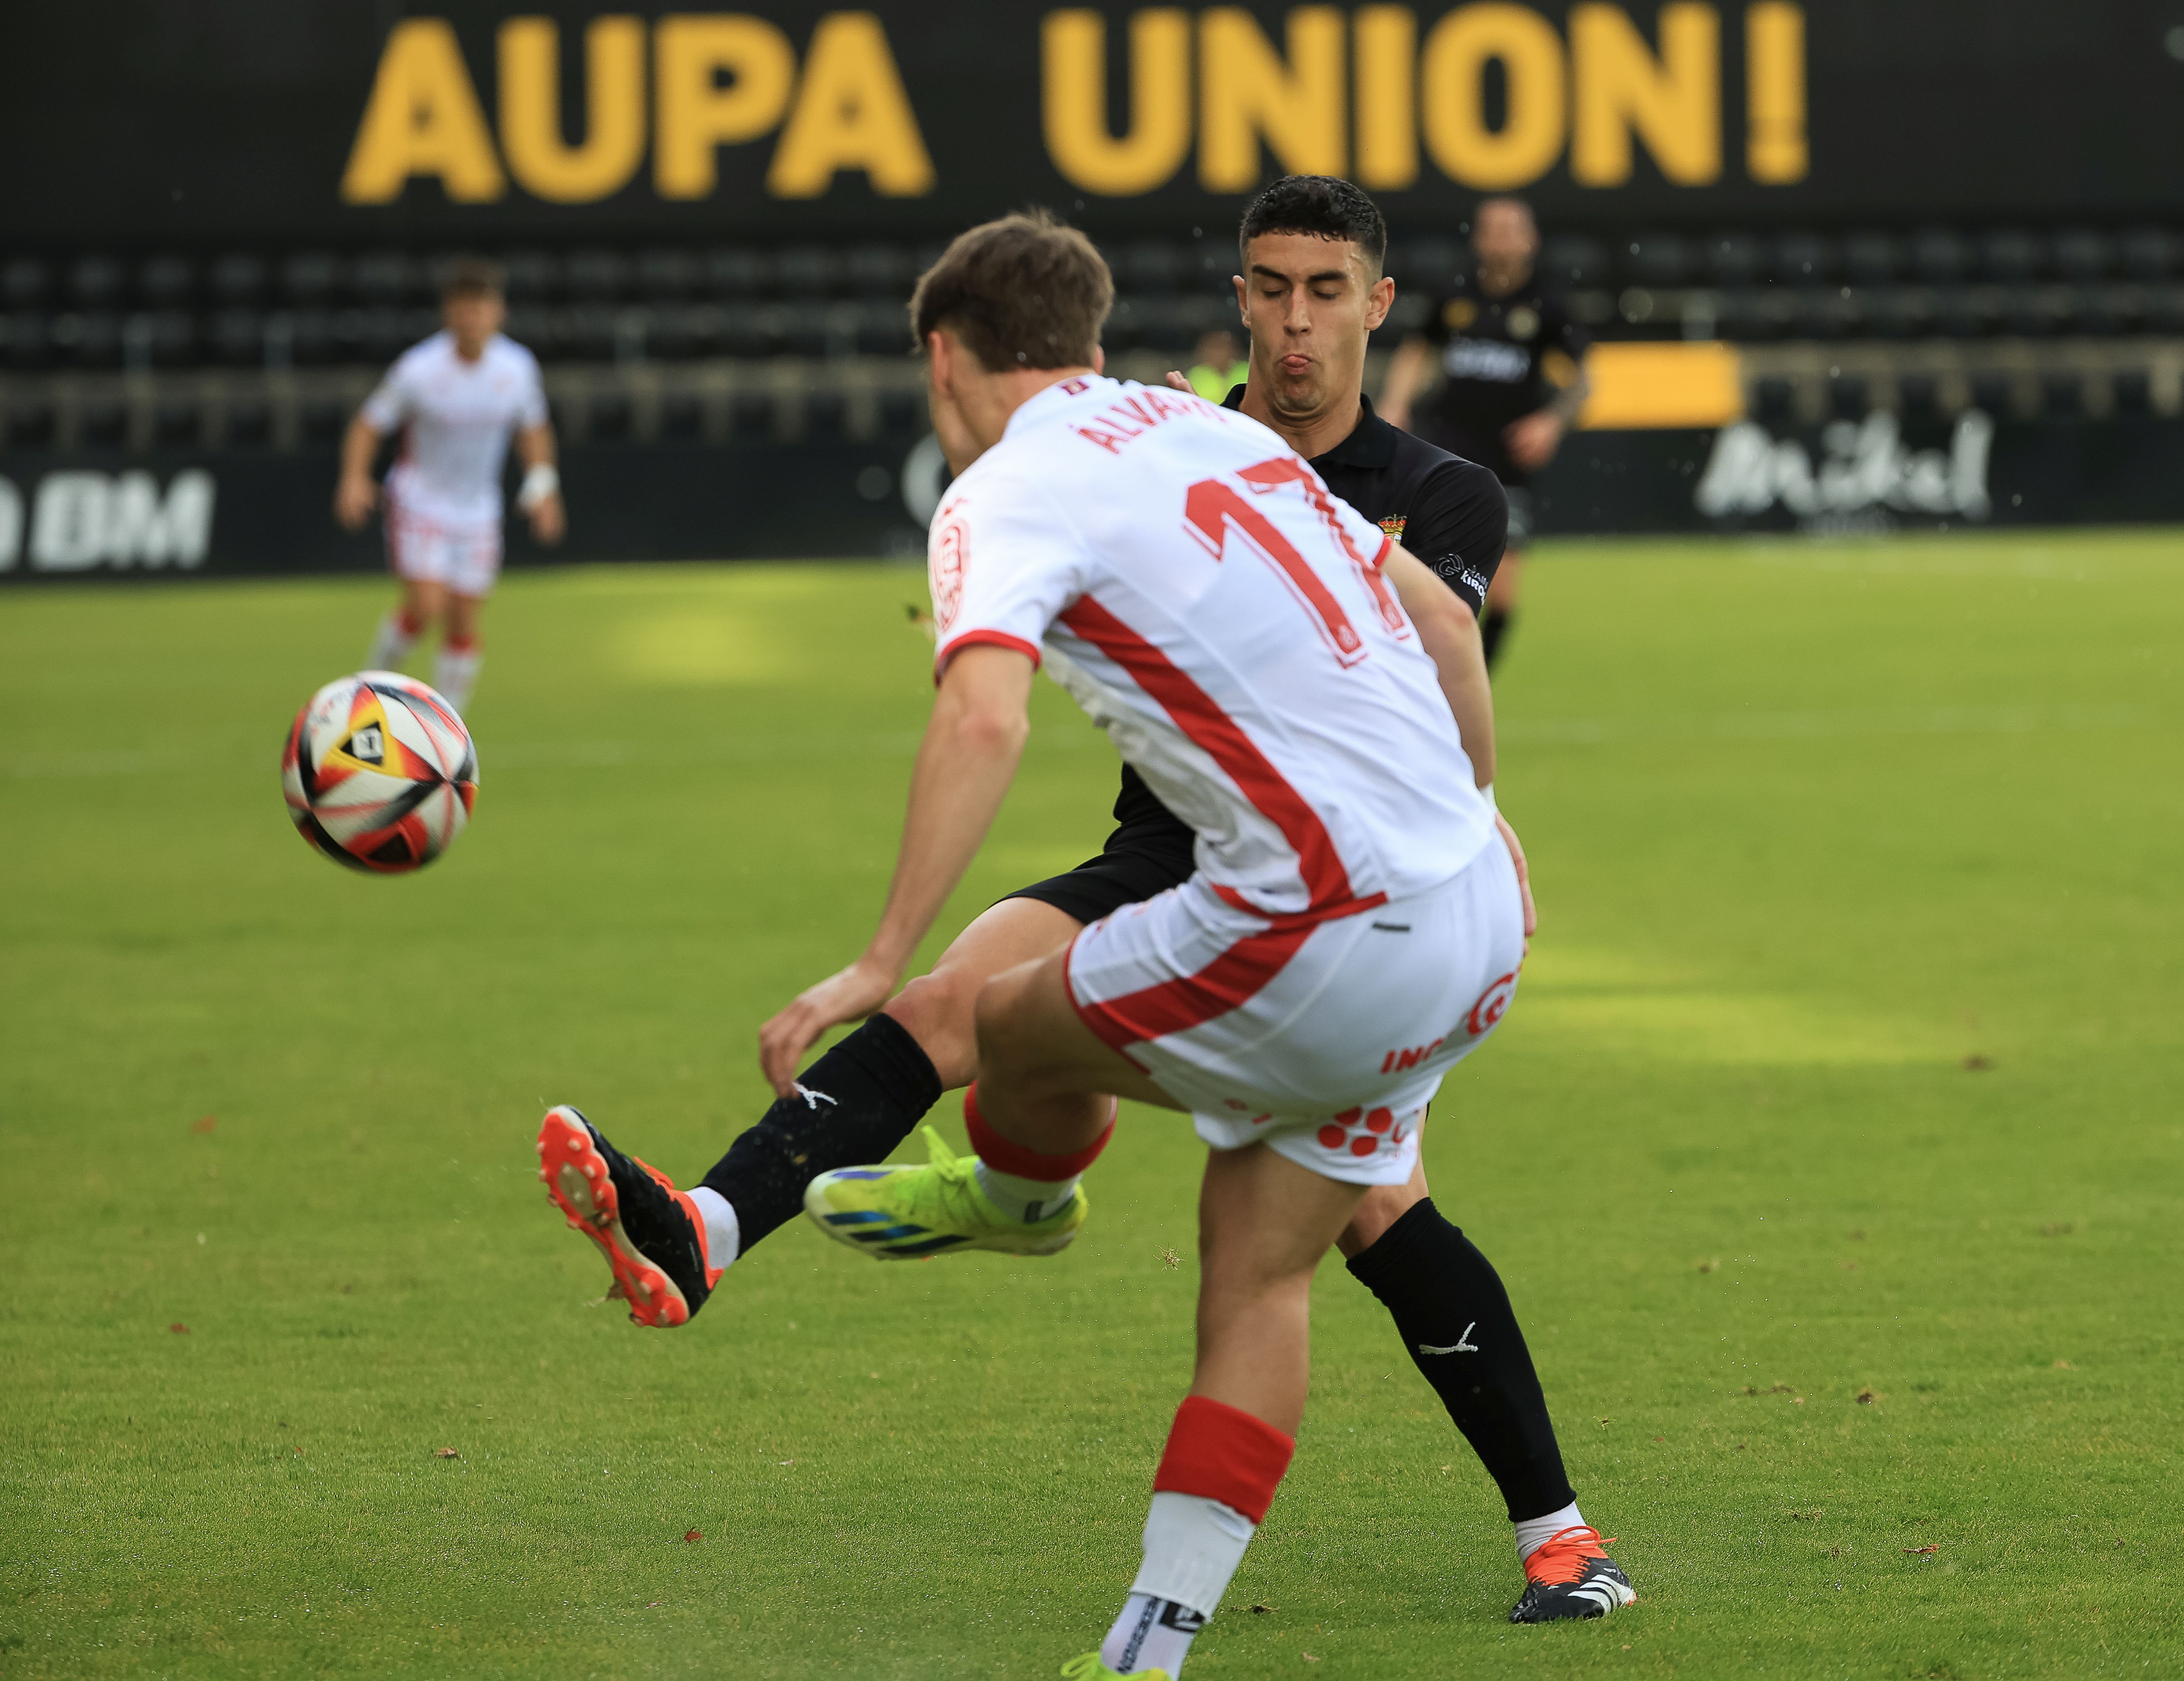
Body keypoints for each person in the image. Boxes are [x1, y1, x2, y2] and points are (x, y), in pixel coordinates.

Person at [535, 181, 1633, 1629]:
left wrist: (1479, 813)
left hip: (1330, 881)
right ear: (1233, 298)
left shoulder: (1425, 487)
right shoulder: (1196, 427)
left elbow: (1444, 646)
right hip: (1189, 854)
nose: (1293, 321)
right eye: (1268, 287)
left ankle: (1556, 1529)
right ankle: (714, 1224)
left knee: (1367, 1209)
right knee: (952, 1016)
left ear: (1379, 305)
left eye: (1323, 291)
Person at [334, 259, 563, 712]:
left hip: (478, 509)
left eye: (481, 308)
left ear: (499, 313)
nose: (472, 318)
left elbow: (533, 429)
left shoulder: (516, 367)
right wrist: (354, 478)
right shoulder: (419, 369)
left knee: (464, 619)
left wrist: (543, 486)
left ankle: (449, 721)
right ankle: (366, 690)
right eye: (463, 309)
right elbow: (368, 423)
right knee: (426, 606)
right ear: (448, 314)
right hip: (421, 501)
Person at [1380, 197, 1589, 667]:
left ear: (1531, 239)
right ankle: (1424, 675)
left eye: (1510, 229)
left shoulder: (1547, 306)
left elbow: (1582, 382)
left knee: (1501, 590)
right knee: (1432, 575)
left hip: (1508, 460)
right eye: (1491, 229)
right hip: (1447, 452)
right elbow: (1418, 350)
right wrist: (1397, 401)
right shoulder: (1454, 296)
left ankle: (1476, 683)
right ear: (1477, 238)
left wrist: (1551, 422)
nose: (1499, 238)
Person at [1181, 327, 1248, 404]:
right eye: (1212, 347)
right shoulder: (1197, 375)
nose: (1217, 353)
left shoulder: (1247, 371)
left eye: (1221, 346)